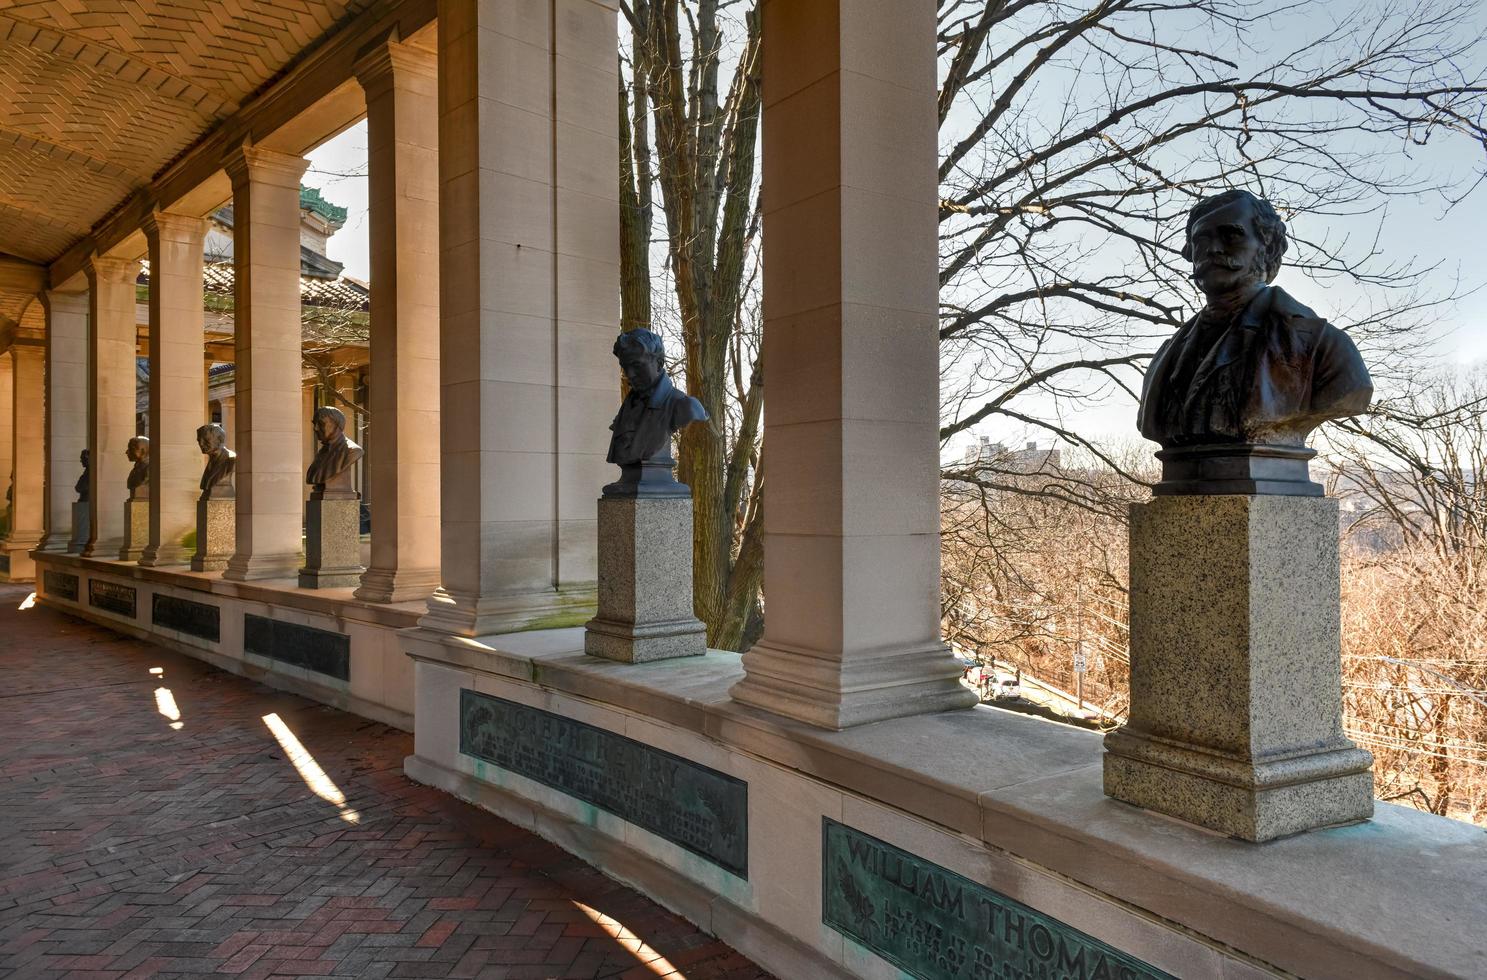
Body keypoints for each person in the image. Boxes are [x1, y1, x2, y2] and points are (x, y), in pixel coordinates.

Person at [1137, 189, 1373, 449]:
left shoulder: (1322, 346)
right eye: (1202, 239)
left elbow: (1351, 391)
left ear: (1267, 246)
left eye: (1231, 235)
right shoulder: (1167, 356)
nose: (1213, 249)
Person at [604, 329, 708, 494]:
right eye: (625, 367)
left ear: (659, 363)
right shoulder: (626, 409)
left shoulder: (685, 407)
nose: (629, 374)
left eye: (637, 365)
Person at [306, 406, 363, 494]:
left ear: (336, 424)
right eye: (315, 424)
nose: (315, 428)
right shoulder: (321, 453)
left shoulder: (352, 450)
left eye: (321, 423)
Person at [196, 423, 236, 498]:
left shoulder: (232, 462)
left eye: (206, 439)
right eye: (199, 440)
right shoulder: (210, 463)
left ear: (219, 440)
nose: (201, 444)